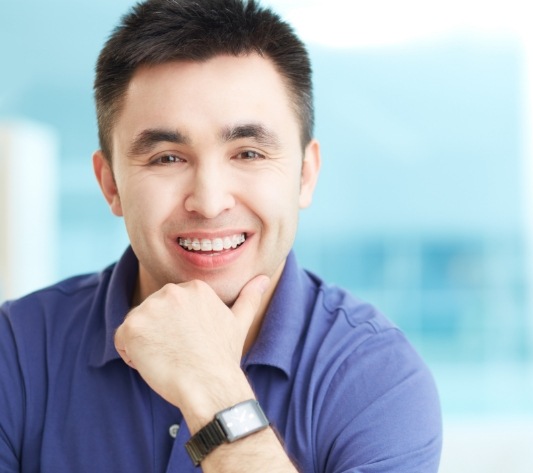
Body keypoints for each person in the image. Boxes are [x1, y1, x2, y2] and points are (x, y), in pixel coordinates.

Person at [0, 0, 442, 471]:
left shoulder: (377, 377)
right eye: (167, 157)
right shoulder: (16, 351)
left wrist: (213, 389)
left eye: (248, 153)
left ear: (305, 175)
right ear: (111, 184)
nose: (209, 202)